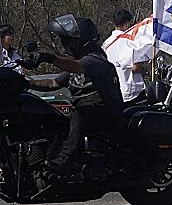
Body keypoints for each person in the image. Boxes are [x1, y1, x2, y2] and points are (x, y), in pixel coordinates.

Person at [27, 14, 124, 174]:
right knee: (53, 120)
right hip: (92, 113)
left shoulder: (95, 59)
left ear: (81, 40)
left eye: (68, 42)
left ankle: (66, 157)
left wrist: (51, 58)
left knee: (79, 111)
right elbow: (52, 83)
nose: (66, 46)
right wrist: (25, 83)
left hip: (108, 113)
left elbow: (77, 67)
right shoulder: (76, 65)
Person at [103, 9, 148, 107]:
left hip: (115, 91)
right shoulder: (126, 42)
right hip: (132, 91)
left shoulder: (106, 44)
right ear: (127, 24)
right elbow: (135, 67)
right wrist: (144, 68)